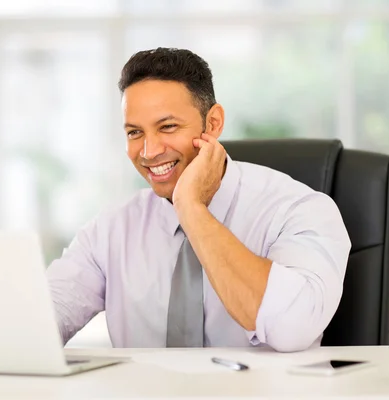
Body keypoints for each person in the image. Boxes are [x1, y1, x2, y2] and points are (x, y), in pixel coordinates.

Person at [46, 47, 351, 353]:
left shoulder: (299, 210)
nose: (149, 151)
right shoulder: (110, 230)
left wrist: (191, 210)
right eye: (135, 132)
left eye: (168, 127)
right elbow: (39, 320)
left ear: (214, 123)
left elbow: (292, 329)